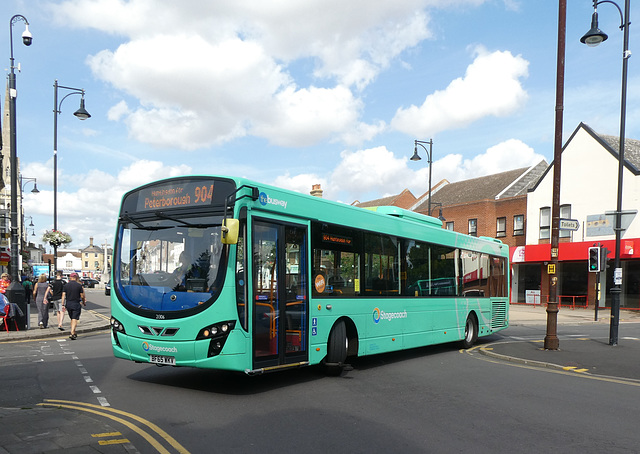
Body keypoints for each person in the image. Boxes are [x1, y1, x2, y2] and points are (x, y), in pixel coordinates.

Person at [61, 272, 86, 340]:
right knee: (74, 318)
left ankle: (73, 332)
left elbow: (63, 295)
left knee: (72, 318)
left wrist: (62, 304)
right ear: (76, 278)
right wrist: (83, 302)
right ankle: (72, 332)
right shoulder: (79, 285)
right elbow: (82, 295)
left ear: (70, 277)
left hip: (68, 304)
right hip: (76, 303)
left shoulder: (66, 285)